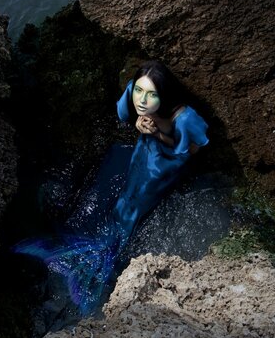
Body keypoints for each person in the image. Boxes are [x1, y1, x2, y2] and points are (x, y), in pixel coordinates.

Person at [14, 61, 209, 314]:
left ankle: (106, 255)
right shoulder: (135, 94)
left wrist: (159, 135)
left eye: (152, 95)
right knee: (127, 195)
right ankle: (101, 249)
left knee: (134, 206)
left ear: (165, 95)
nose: (142, 100)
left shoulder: (184, 117)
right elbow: (126, 112)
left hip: (163, 168)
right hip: (142, 154)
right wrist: (140, 126)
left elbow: (194, 148)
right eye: (139, 91)